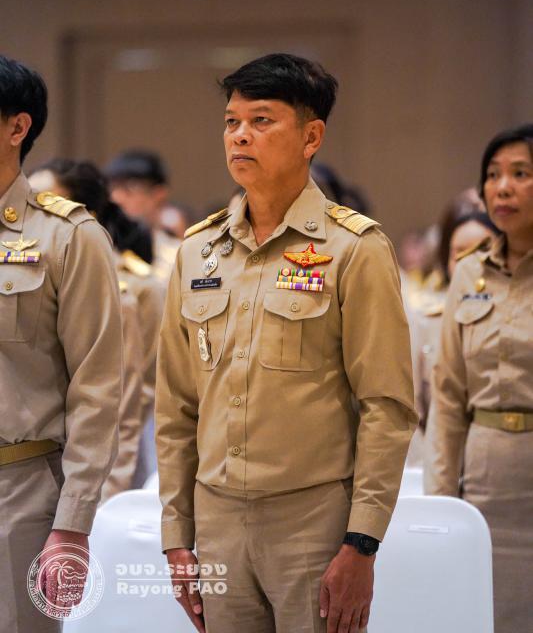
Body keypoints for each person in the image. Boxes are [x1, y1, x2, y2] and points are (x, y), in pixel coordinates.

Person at [156, 53, 417, 633]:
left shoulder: (354, 248)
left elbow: (387, 405)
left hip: (313, 521)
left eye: (262, 120)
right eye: (231, 122)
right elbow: (175, 407)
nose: (239, 135)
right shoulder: (197, 252)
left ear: (311, 136)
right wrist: (176, 536)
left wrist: (362, 542)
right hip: (217, 521)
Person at [0, 55, 123, 631]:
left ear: (17, 127)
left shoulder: (68, 237)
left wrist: (72, 524)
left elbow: (97, 389)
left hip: (19, 491)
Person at [424, 123, 533, 632]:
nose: (502, 187)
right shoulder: (470, 274)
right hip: (484, 480)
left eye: (520, 174)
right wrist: (441, 503)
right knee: (482, 612)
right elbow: (448, 397)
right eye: (493, 175)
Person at [29, 158, 165, 495]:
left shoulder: (126, 294)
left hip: (93, 470)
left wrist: (103, 502)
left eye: (48, 206)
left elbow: (126, 408)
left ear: (85, 217)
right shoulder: (23, 284)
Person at [406, 210, 497, 466]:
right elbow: (410, 412)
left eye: (483, 250)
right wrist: (430, 472)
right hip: (438, 464)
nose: (470, 263)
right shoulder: (424, 322)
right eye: (459, 253)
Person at [104, 149, 180, 282]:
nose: (116, 197)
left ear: (159, 194)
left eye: (130, 187)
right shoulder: (102, 248)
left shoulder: (177, 255)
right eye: (113, 187)